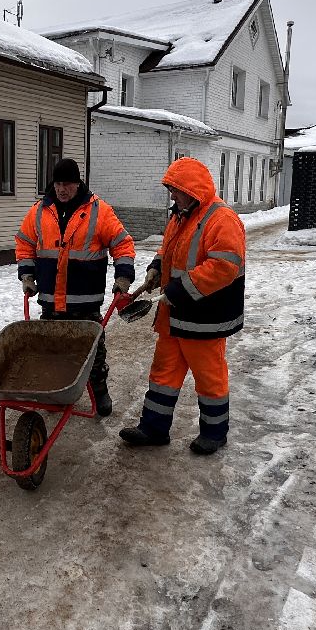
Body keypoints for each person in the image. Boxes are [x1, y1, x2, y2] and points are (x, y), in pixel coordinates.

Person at [119, 157, 245, 455]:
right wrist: (155, 267)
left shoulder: (221, 219)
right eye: (170, 190)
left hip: (205, 317)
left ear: (192, 189)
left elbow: (224, 266)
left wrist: (179, 288)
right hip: (175, 315)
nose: (172, 196)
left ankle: (214, 433)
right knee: (163, 374)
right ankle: (153, 428)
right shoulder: (180, 216)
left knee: (209, 378)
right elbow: (170, 250)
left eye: (175, 190)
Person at [15, 157, 136, 416]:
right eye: (58, 184)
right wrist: (27, 276)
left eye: (67, 184)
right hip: (50, 300)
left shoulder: (99, 211)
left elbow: (122, 244)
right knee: (53, 351)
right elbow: (24, 243)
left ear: (78, 183)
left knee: (93, 353)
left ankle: (100, 391)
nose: (62, 189)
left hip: (85, 301)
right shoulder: (40, 211)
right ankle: (57, 392)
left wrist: (123, 276)